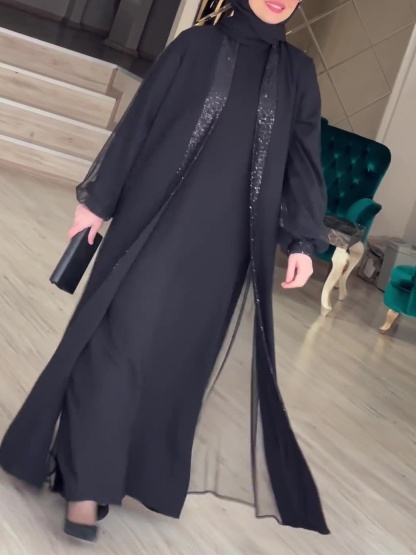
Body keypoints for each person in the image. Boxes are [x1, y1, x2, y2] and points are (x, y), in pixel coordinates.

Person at [0, 0, 330, 543]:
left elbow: (303, 160)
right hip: (152, 226)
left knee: (174, 365)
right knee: (116, 345)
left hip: (224, 252)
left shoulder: (298, 73)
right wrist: (98, 201)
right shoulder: (196, 46)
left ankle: (116, 471)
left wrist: (302, 239)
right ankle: (86, 484)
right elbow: (140, 122)